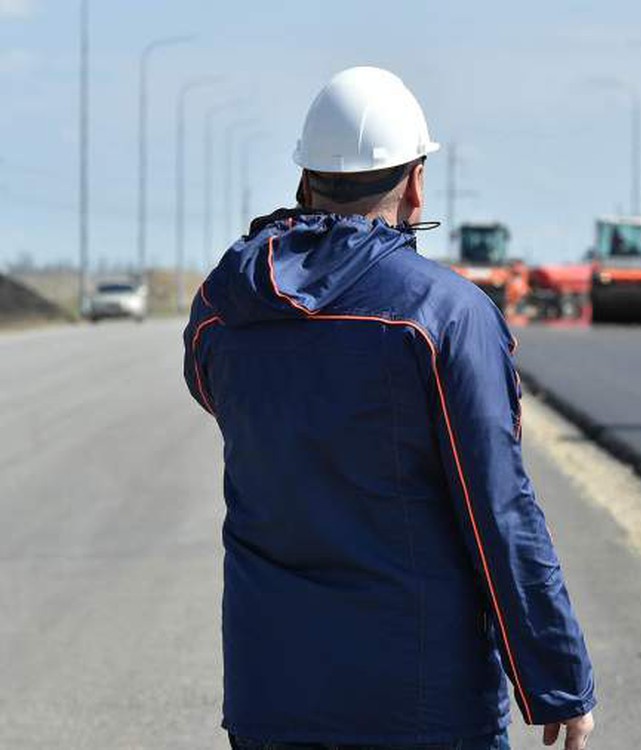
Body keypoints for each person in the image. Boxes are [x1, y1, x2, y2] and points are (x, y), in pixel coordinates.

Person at [183, 66, 596, 750]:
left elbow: (213, 394)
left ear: (305, 180)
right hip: (420, 704)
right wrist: (554, 681)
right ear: (415, 182)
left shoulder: (224, 311)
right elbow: (499, 511)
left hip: (269, 696)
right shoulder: (446, 315)